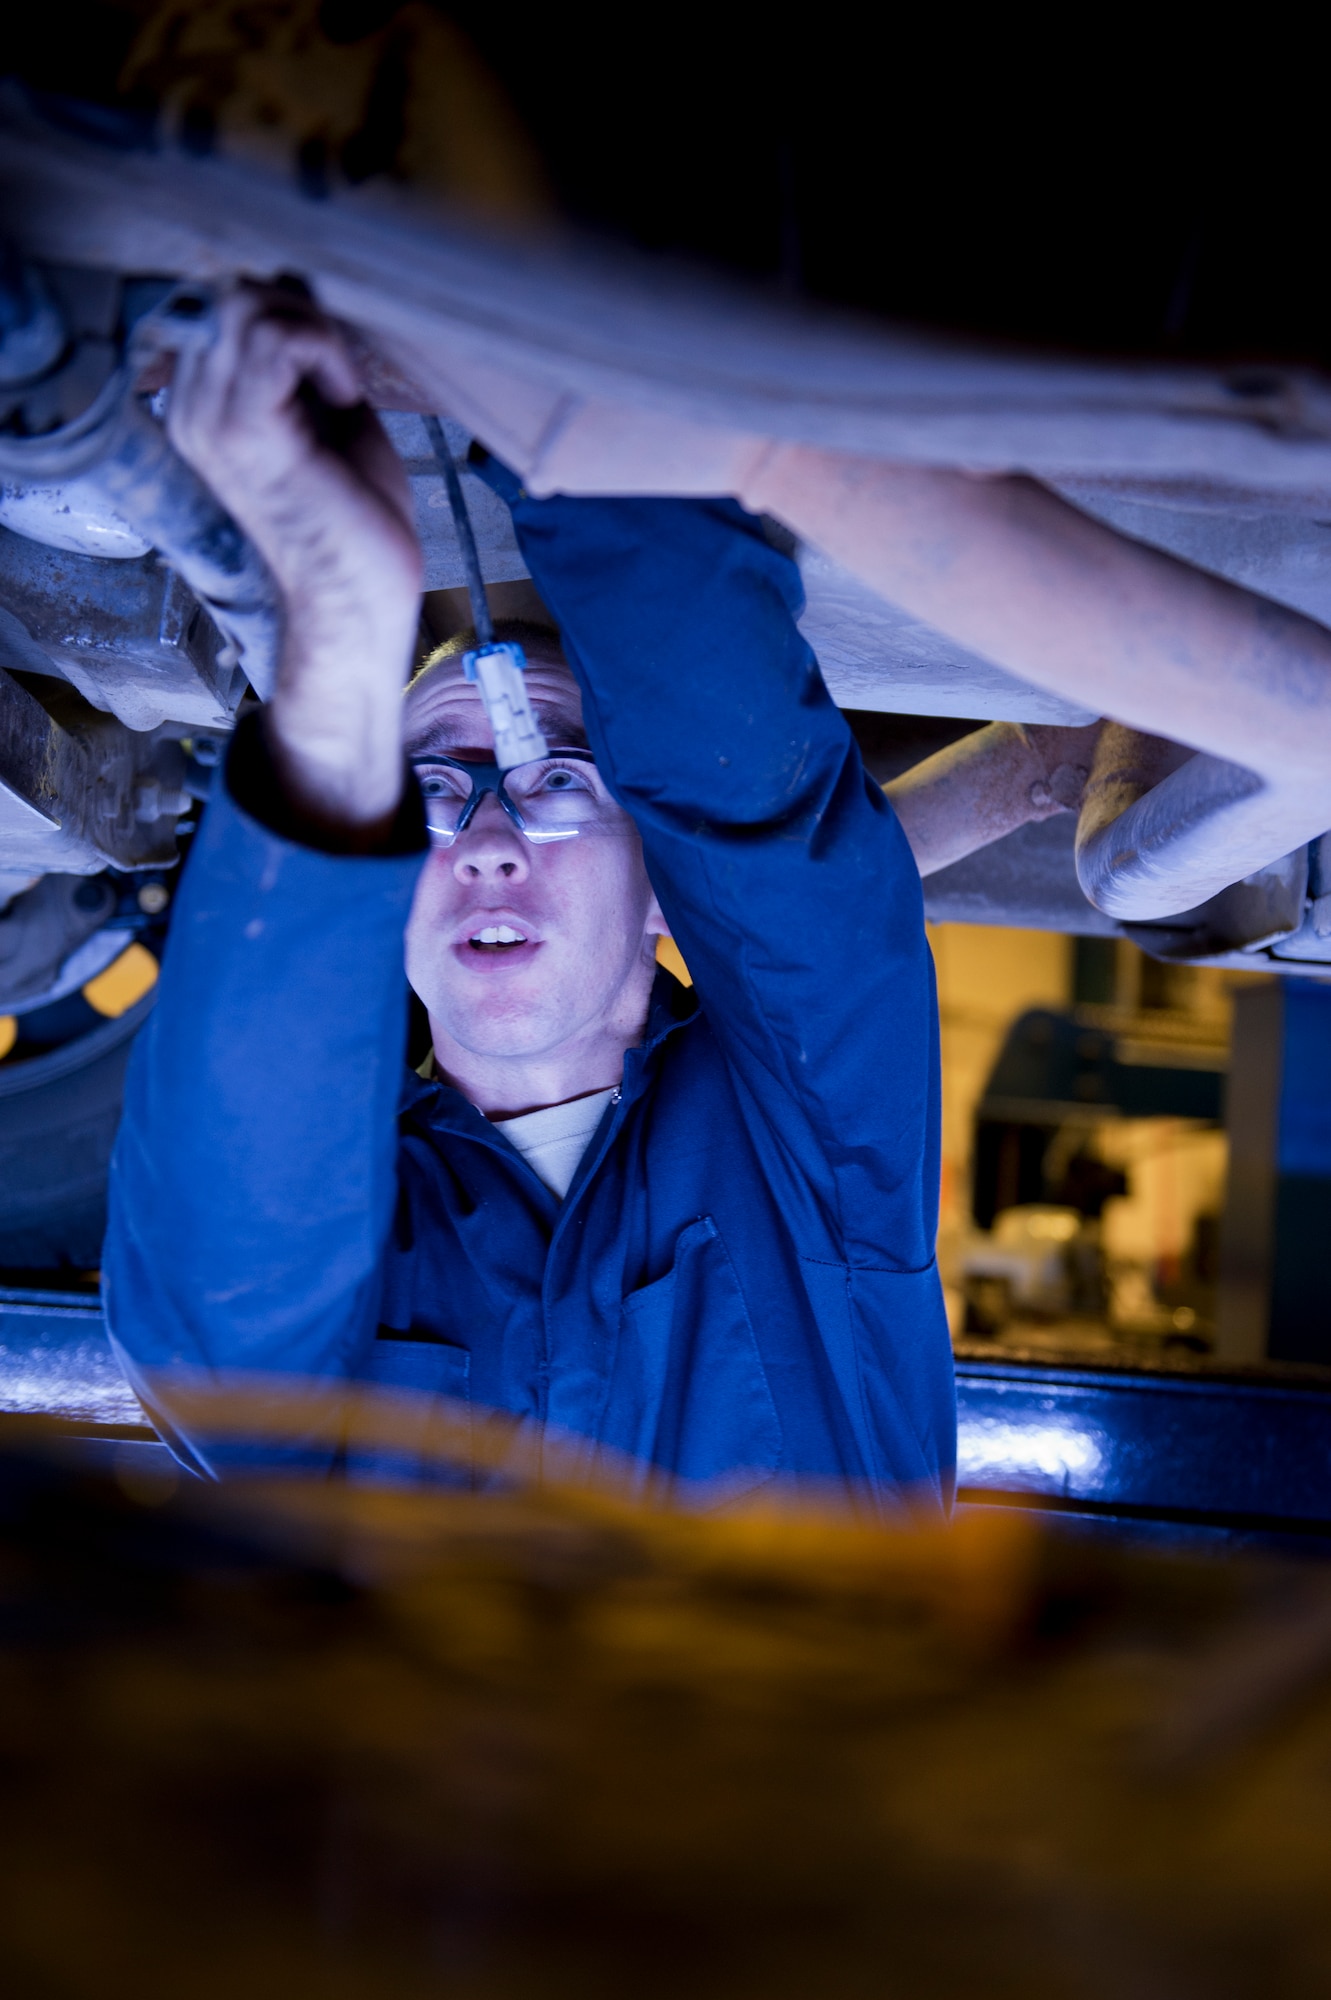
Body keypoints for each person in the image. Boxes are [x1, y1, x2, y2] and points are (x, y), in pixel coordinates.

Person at [104, 284, 954, 1510]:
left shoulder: (800, 1132)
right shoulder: (809, 1161)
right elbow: (223, 1277)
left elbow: (214, 1332)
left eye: (554, 779)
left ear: (661, 882)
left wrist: (340, 648)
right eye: (434, 791)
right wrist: (549, 362)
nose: (486, 841)